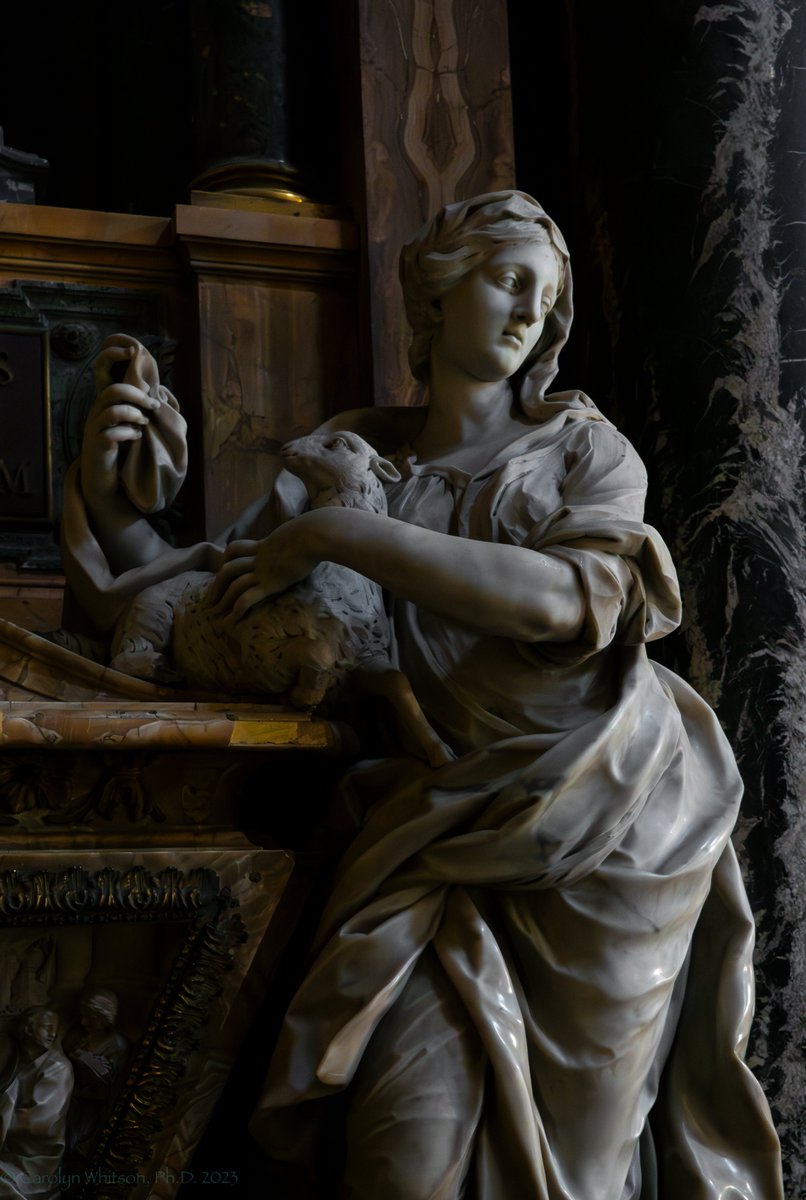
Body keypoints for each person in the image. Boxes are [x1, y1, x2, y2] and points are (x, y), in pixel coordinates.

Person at [62, 192, 784, 1198]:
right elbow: (203, 601)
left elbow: (568, 601)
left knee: (582, 1172)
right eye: (505, 279)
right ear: (435, 296)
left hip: (607, 819)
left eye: (546, 294)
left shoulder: (581, 451)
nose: (529, 310)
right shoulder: (354, 454)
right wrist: (113, 498)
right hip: (428, 834)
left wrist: (343, 536)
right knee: (401, 1156)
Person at [0, 1007, 73, 1200]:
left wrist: (3, 1121)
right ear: (29, 1029)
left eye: (54, 1029)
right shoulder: (20, 1060)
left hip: (35, 1159)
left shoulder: (58, 1068)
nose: (53, 1034)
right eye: (46, 1028)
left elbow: (39, 1122)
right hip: (11, 1149)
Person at [63, 989, 127, 1160]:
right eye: (83, 1016)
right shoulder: (80, 1035)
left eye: (90, 1017)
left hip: (90, 1106)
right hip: (69, 1095)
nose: (84, 1022)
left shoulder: (116, 1045)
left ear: (103, 1017)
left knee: (75, 1143)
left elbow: (110, 1083)